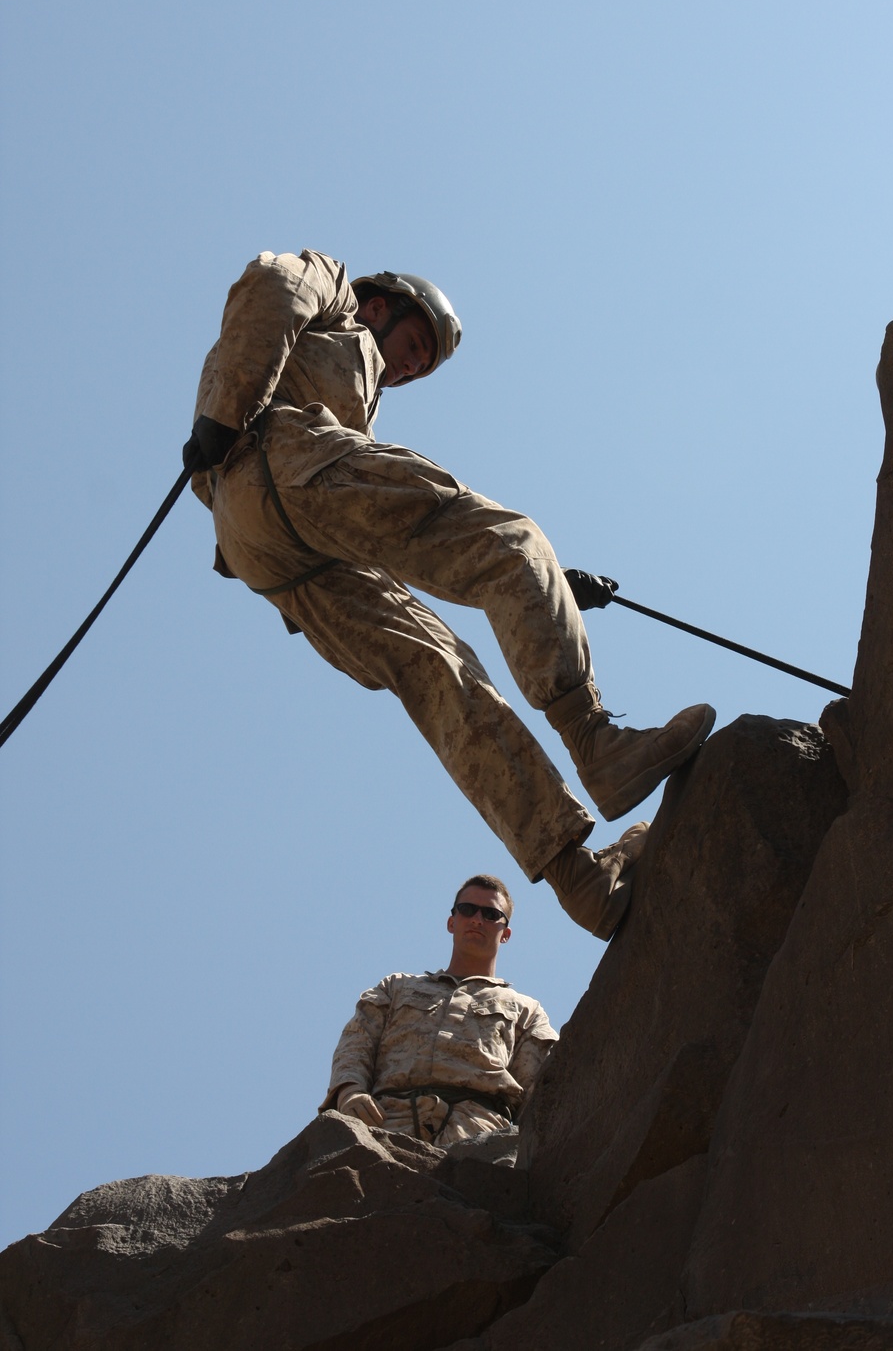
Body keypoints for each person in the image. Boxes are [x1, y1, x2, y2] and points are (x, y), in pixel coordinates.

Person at [184, 251, 715, 939]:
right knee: (510, 542)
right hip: (278, 456)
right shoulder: (336, 290)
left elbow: (398, 545)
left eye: (418, 368)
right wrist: (227, 413)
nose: (406, 369)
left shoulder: (350, 397)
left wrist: (550, 585)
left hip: (270, 548)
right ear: (381, 305)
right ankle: (597, 744)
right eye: (411, 348)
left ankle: (579, 878)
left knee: (442, 678)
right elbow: (272, 283)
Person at [318, 873, 567, 1147]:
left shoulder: (526, 1011)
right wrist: (349, 1092)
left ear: (505, 933)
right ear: (452, 922)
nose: (477, 919)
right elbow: (357, 1041)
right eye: (467, 910)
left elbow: (540, 1093)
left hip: (477, 1138)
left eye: (491, 914)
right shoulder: (397, 987)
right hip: (383, 1125)